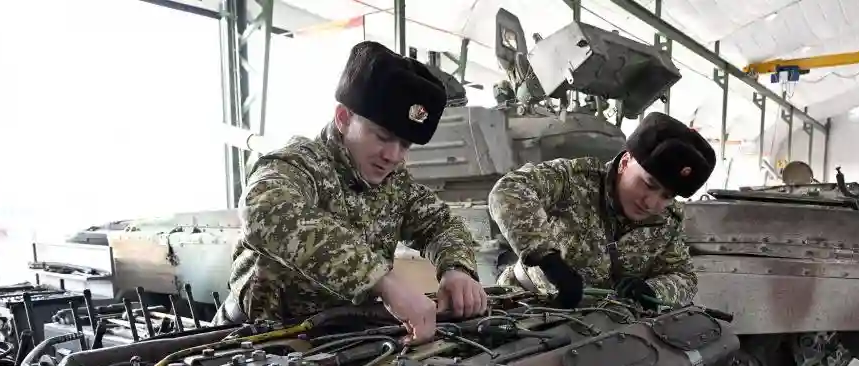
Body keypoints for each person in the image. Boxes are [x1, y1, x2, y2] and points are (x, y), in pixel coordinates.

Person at [215, 41, 487, 343]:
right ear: (343, 118)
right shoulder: (299, 164)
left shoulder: (395, 183)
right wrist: (381, 280)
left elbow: (441, 225)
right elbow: (265, 212)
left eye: (405, 145)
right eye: (382, 136)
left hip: (341, 340)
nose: (393, 156)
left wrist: (456, 269)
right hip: (258, 339)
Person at [488, 112, 716, 309]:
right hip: (526, 306)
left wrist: (652, 290)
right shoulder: (574, 182)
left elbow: (684, 277)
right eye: (649, 184)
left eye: (667, 196)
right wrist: (547, 259)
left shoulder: (667, 219)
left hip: (602, 326)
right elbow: (509, 190)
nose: (651, 203)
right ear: (626, 162)